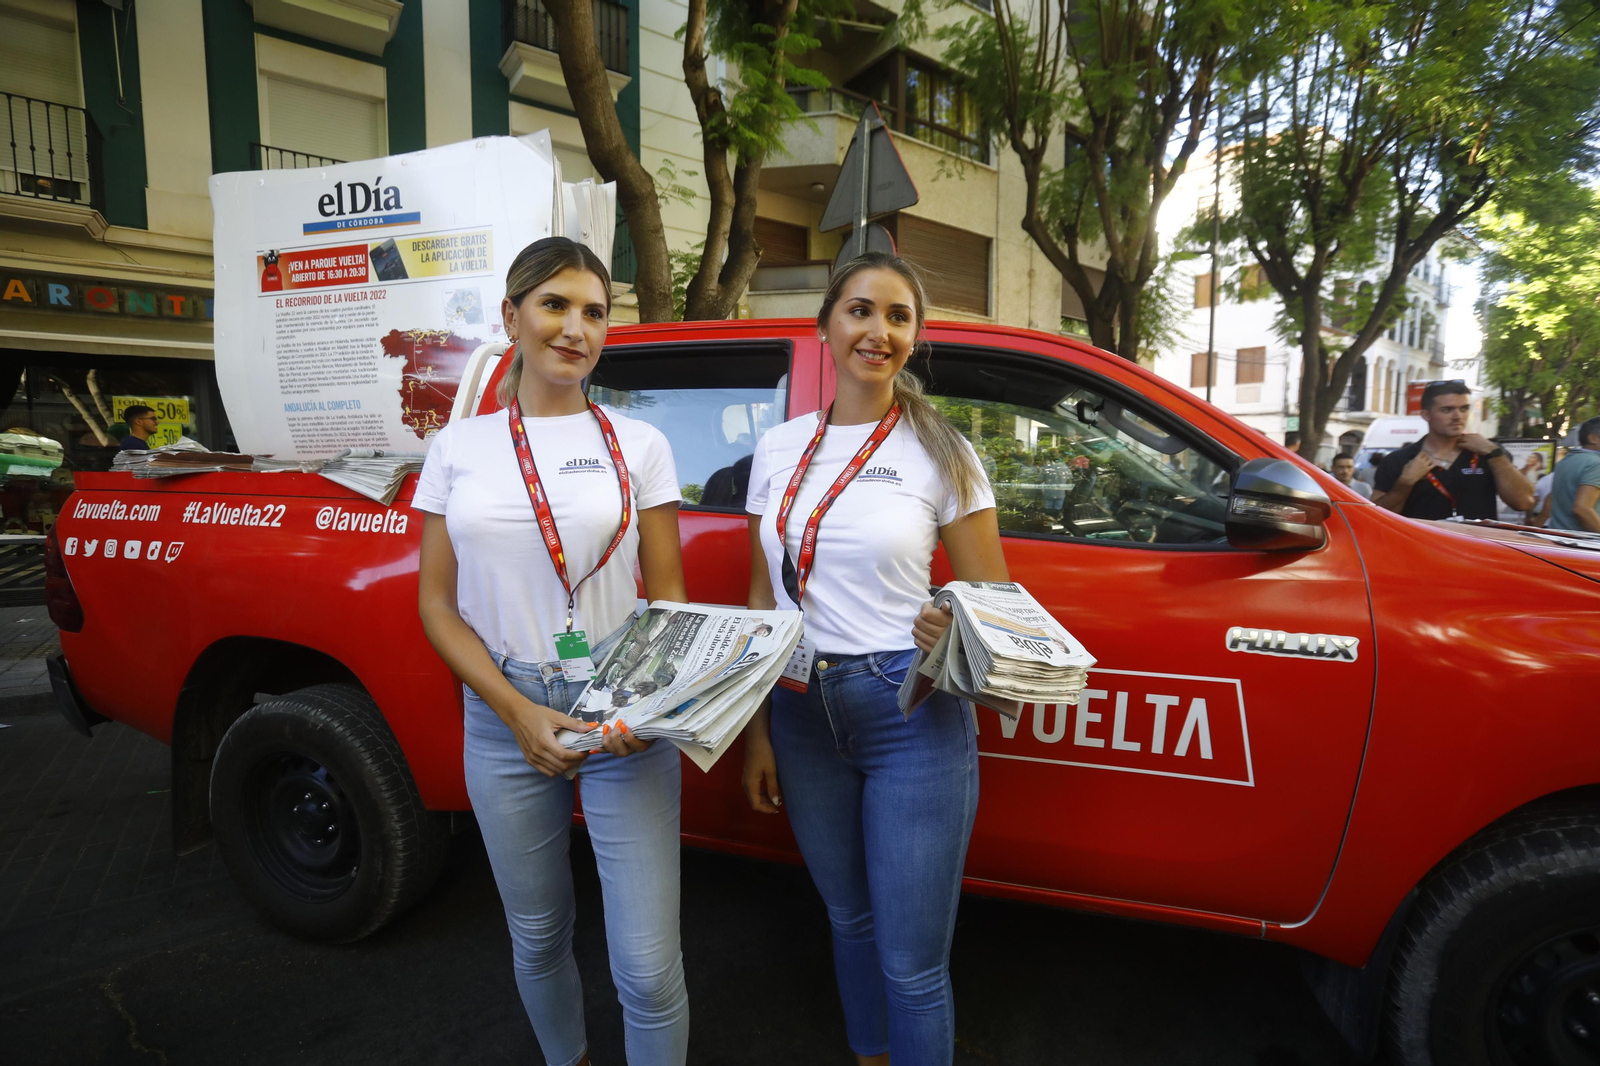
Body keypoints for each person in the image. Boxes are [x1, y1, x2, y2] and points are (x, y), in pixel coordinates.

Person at [414, 237, 691, 1066]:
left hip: (622, 712)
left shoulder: (638, 445)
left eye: (594, 312)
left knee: (646, 965)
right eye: (555, 305)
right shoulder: (458, 448)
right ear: (512, 317)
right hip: (504, 718)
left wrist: (652, 704)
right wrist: (514, 709)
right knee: (538, 936)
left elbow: (669, 601)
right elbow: (436, 602)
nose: (576, 327)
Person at [739, 252, 1009, 1066]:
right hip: (797, 708)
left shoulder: (945, 451)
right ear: (827, 325)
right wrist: (754, 733)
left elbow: (996, 604)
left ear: (913, 338)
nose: (878, 331)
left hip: (908, 710)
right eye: (861, 310)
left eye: (898, 317)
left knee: (913, 965)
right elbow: (763, 601)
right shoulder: (779, 448)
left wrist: (951, 618)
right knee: (848, 920)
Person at [1372, 382, 1534, 519]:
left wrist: (1494, 454)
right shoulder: (1399, 460)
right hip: (1421, 552)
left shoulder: (1489, 453)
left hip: (1476, 553)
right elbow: (1376, 517)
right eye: (1447, 410)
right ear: (1426, 415)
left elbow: (1524, 502)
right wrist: (1405, 483)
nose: (1458, 416)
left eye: (1464, 409)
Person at [1548, 416, 1600, 533]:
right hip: (1583, 544)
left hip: (1558, 539)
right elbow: (1582, 509)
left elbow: (1550, 499)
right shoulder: (1596, 463)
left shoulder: (1566, 460)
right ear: (1593, 438)